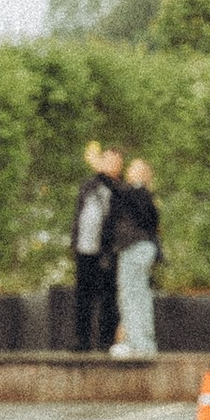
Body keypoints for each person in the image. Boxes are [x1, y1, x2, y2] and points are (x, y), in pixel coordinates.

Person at [107, 159, 162, 359]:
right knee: (136, 295)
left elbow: (147, 218)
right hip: (137, 248)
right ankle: (137, 342)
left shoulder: (138, 193)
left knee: (132, 297)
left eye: (134, 168)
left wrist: (105, 173)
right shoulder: (138, 194)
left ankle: (140, 345)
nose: (129, 171)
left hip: (135, 248)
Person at [69, 145, 120, 356]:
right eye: (106, 160)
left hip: (106, 251)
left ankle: (105, 341)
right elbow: (79, 213)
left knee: (108, 297)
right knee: (83, 297)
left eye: (113, 161)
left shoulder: (120, 188)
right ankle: (82, 341)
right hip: (85, 249)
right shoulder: (89, 186)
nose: (108, 165)